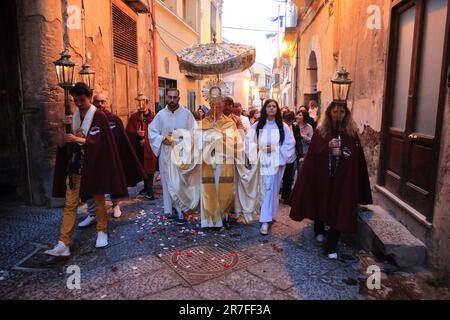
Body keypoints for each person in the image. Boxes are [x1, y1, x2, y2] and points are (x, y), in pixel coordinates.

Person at [45, 83, 128, 256]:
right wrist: (62, 126)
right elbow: (61, 144)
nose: (79, 103)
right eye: (75, 100)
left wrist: (77, 138)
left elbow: (102, 143)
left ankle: (102, 231)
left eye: (82, 100)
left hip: (94, 164)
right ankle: (63, 243)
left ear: (89, 97)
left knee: (98, 199)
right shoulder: (72, 116)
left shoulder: (99, 117)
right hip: (75, 166)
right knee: (70, 204)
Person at [289, 101, 373, 259]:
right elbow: (314, 153)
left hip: (343, 180)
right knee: (321, 202)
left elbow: (356, 156)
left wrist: (347, 154)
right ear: (329, 114)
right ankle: (319, 229)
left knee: (340, 207)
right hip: (323, 177)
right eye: (335, 112)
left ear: (346, 114)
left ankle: (331, 245)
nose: (338, 115)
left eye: (342, 112)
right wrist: (327, 147)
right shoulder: (321, 131)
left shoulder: (351, 133)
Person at [78, 93, 146, 227]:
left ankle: (116, 206)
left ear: (107, 103)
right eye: (97, 101)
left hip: (111, 157)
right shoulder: (88, 119)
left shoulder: (114, 119)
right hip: (94, 158)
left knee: (113, 183)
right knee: (93, 186)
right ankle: (92, 214)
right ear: (93, 102)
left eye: (103, 101)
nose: (100, 104)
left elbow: (122, 139)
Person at [245, 99, 296, 235]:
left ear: (277, 109)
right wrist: (260, 148)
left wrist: (275, 149)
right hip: (262, 162)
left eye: (274, 106)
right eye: (269, 106)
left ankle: (269, 214)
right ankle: (265, 220)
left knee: (272, 189)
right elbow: (248, 142)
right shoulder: (257, 126)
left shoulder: (283, 127)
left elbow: (290, 144)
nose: (272, 108)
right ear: (265, 109)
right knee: (266, 188)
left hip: (276, 162)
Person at [148, 88, 196, 224]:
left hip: (181, 153)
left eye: (175, 97)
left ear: (179, 98)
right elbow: (152, 131)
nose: (172, 100)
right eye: (170, 97)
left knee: (180, 181)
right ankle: (171, 209)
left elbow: (194, 132)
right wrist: (162, 138)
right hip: (167, 153)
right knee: (167, 180)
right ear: (166, 98)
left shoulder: (187, 114)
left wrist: (182, 137)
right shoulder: (161, 115)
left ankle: (181, 210)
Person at [126, 96, 158, 200]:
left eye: (144, 103)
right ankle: (145, 188)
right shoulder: (134, 117)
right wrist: (137, 134)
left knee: (150, 168)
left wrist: (147, 140)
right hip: (139, 148)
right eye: (139, 103)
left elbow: (158, 132)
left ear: (147, 104)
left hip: (150, 148)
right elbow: (129, 132)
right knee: (142, 168)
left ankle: (150, 191)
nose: (141, 106)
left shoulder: (154, 117)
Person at [280, 111, 297, 204]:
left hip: (292, 156)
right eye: (287, 121)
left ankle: (286, 197)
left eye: (290, 121)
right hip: (282, 156)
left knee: (289, 177)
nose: (288, 123)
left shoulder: (295, 127)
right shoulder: (280, 127)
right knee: (280, 177)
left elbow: (297, 140)